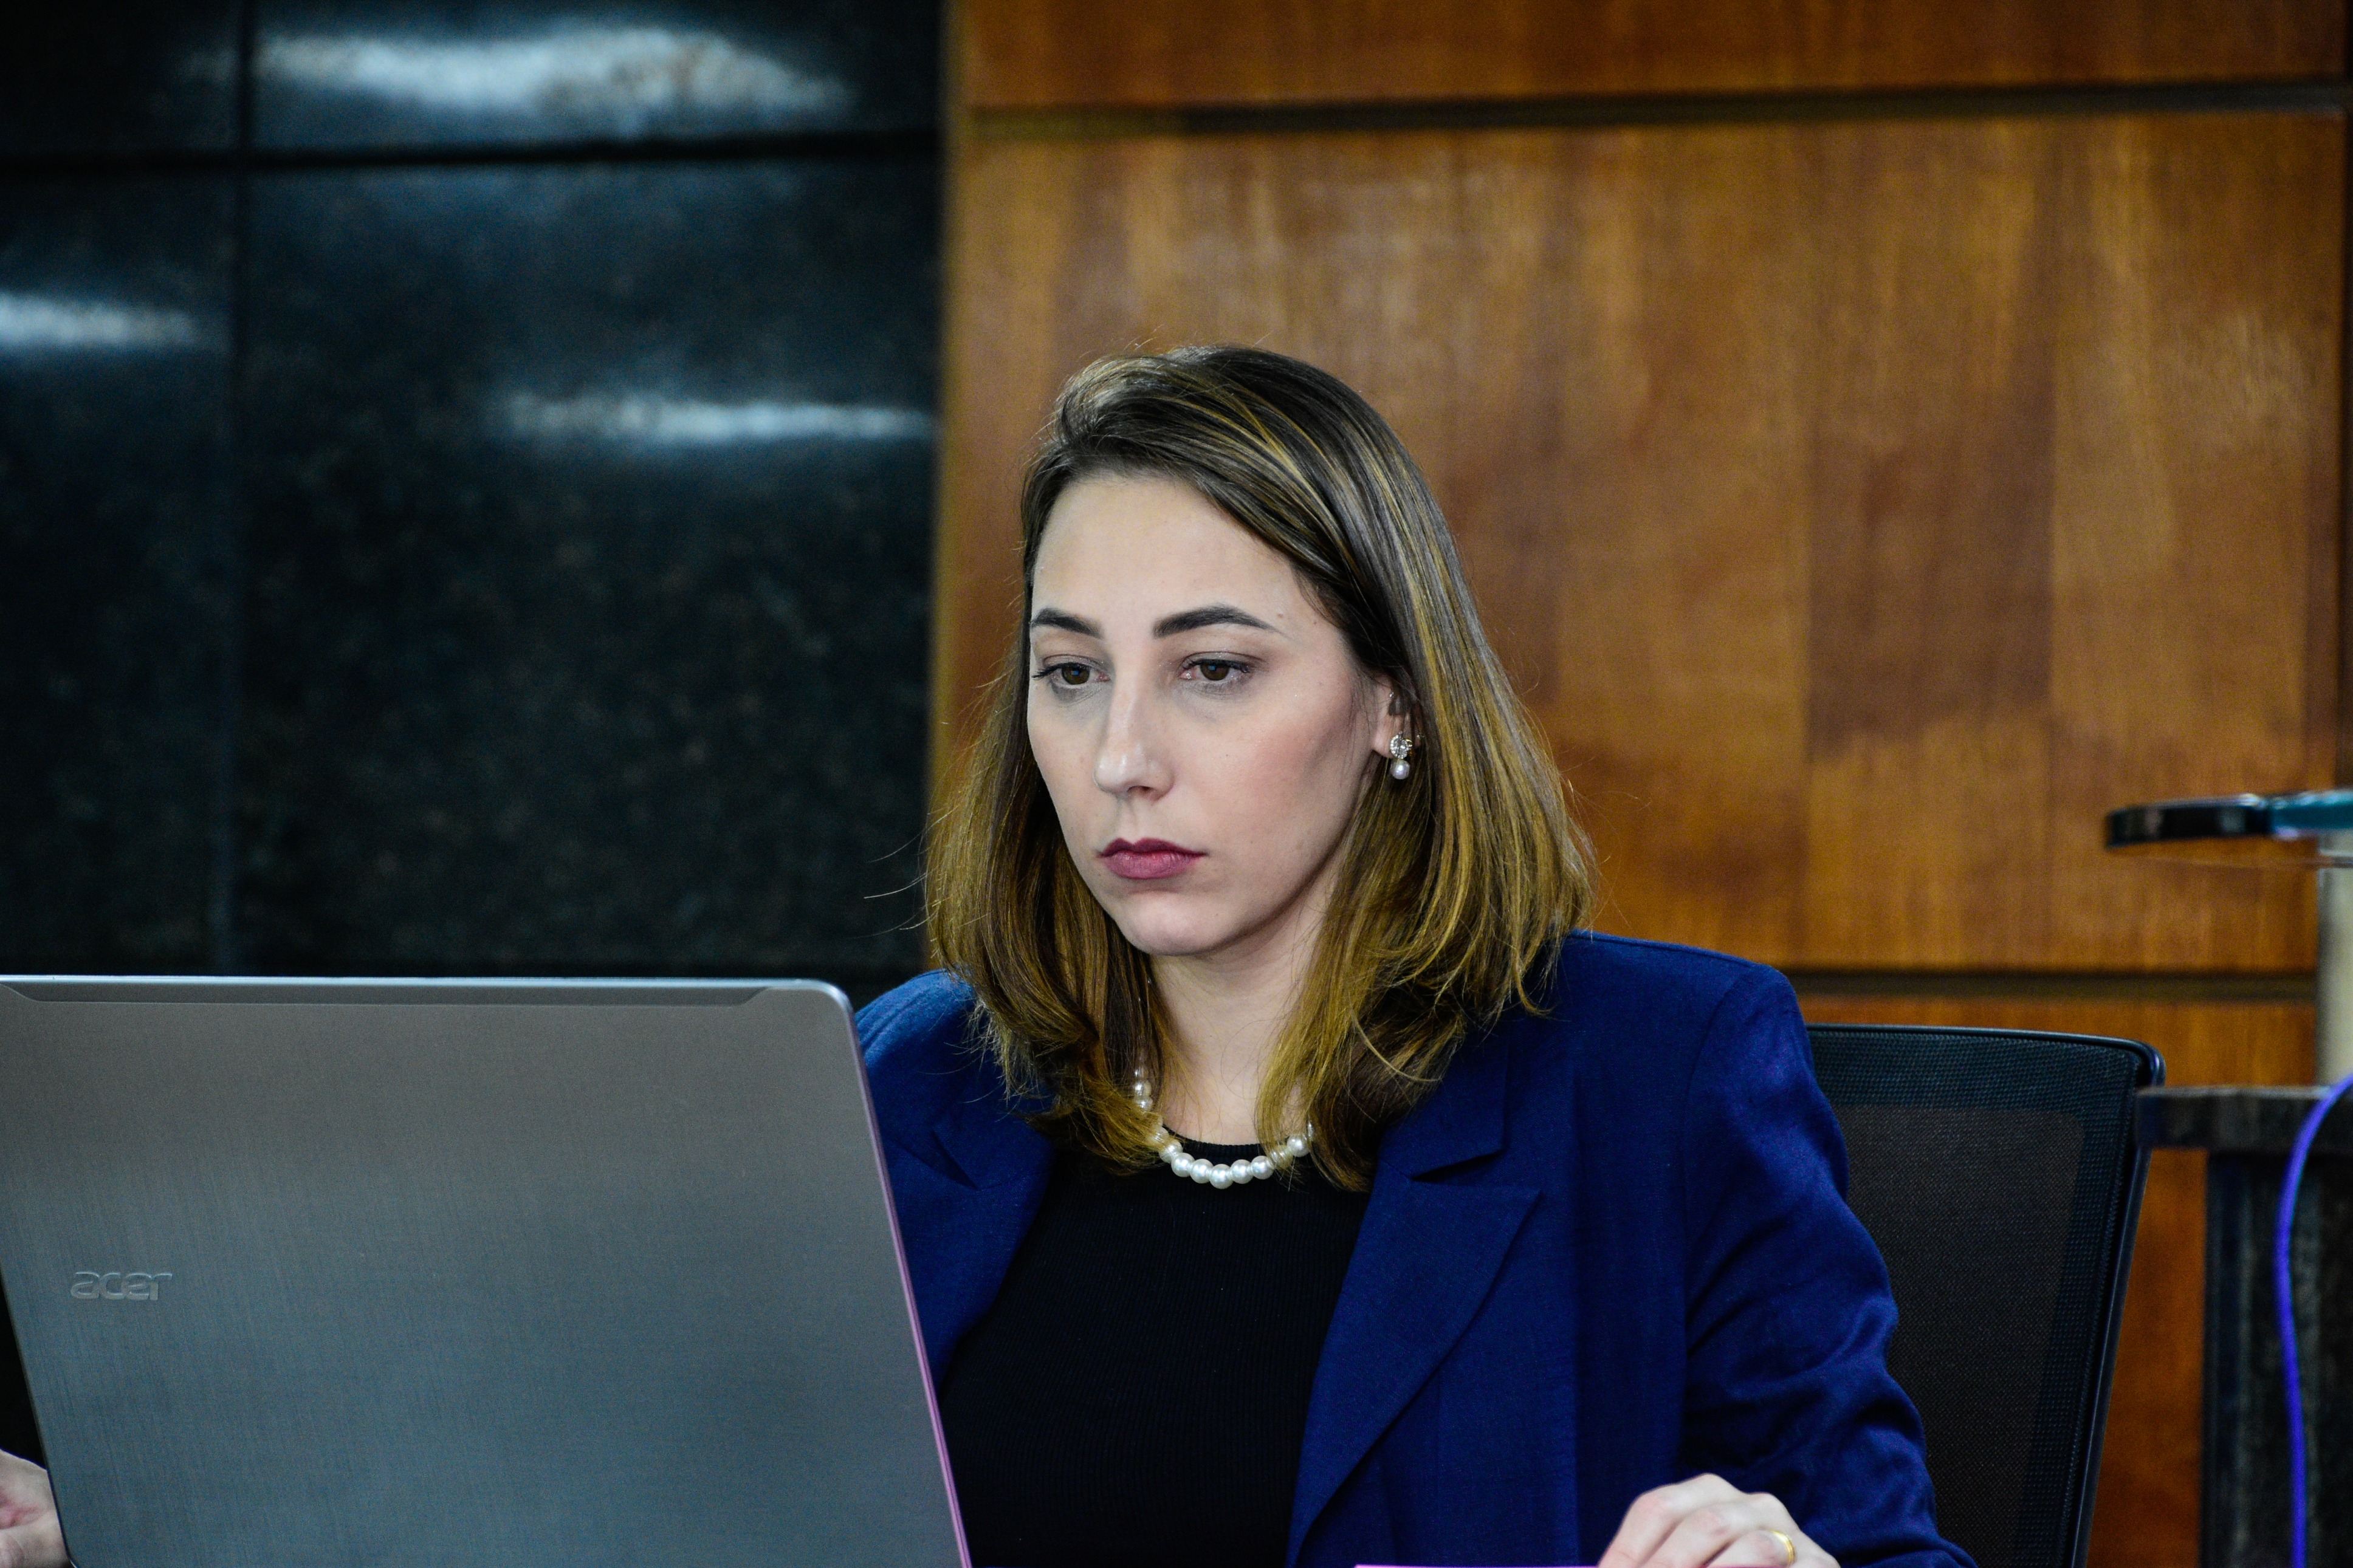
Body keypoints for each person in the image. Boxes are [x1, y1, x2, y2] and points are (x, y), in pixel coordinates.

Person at [0, 346, 1967, 1568]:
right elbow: (634, 1481)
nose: (1119, 759)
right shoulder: (924, 1071)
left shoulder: (1661, 1068)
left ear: (1393, 703)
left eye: (1214, 669)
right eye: (1068, 673)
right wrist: (157, 1514)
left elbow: (1890, 1559)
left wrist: (1784, 1565)